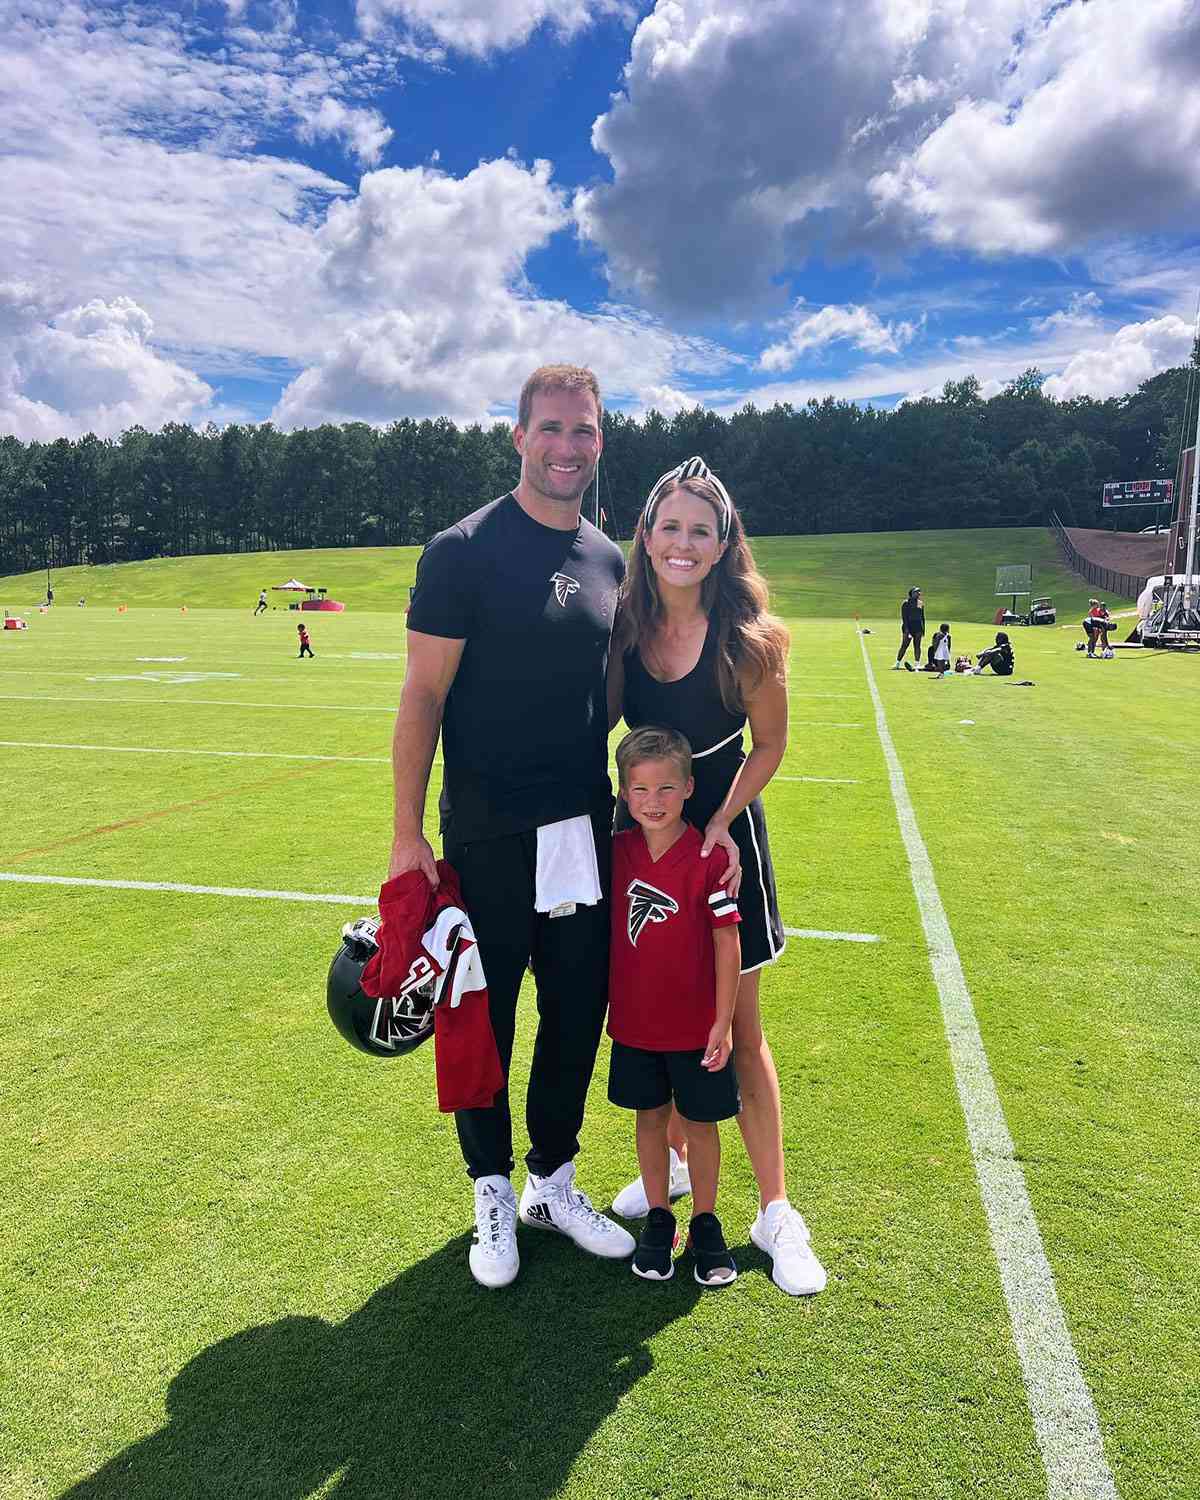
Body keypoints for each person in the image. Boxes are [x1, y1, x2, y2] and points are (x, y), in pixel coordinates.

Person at [391, 364, 635, 1289]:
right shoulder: (461, 552)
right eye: (552, 428)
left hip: (580, 827)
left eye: (584, 432)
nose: (568, 447)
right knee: (485, 1018)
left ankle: (552, 1180)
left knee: (577, 1011)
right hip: (488, 830)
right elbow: (422, 694)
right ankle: (489, 1188)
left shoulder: (607, 559)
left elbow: (602, 694)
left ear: (599, 443)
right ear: (519, 435)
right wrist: (407, 833)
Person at [607, 455, 826, 1297]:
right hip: (645, 836)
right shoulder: (624, 624)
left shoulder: (749, 637)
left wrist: (723, 824)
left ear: (724, 539)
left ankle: (775, 1213)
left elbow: (769, 743)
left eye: (702, 529)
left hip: (724, 837)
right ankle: (672, 1175)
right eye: (671, 526)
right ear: (648, 535)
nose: (684, 543)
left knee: (735, 1030)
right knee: (647, 1012)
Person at [608, 726, 742, 1287]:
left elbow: (726, 941)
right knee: (650, 1118)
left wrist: (723, 1021)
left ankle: (705, 1222)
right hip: (635, 1025)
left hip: (694, 1026)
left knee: (703, 1123)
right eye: (639, 790)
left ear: (689, 788)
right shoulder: (615, 853)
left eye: (666, 788)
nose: (653, 802)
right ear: (623, 793)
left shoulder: (708, 859)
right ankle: (660, 1217)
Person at [894, 587, 924, 670]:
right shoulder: (906, 603)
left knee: (917, 646)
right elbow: (904, 617)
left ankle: (917, 664)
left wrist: (923, 629)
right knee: (904, 645)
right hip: (908, 626)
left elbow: (922, 617)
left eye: (919, 592)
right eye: (916, 592)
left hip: (918, 627)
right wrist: (907, 629)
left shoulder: (920, 603)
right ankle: (897, 663)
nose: (918, 593)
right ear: (911, 593)